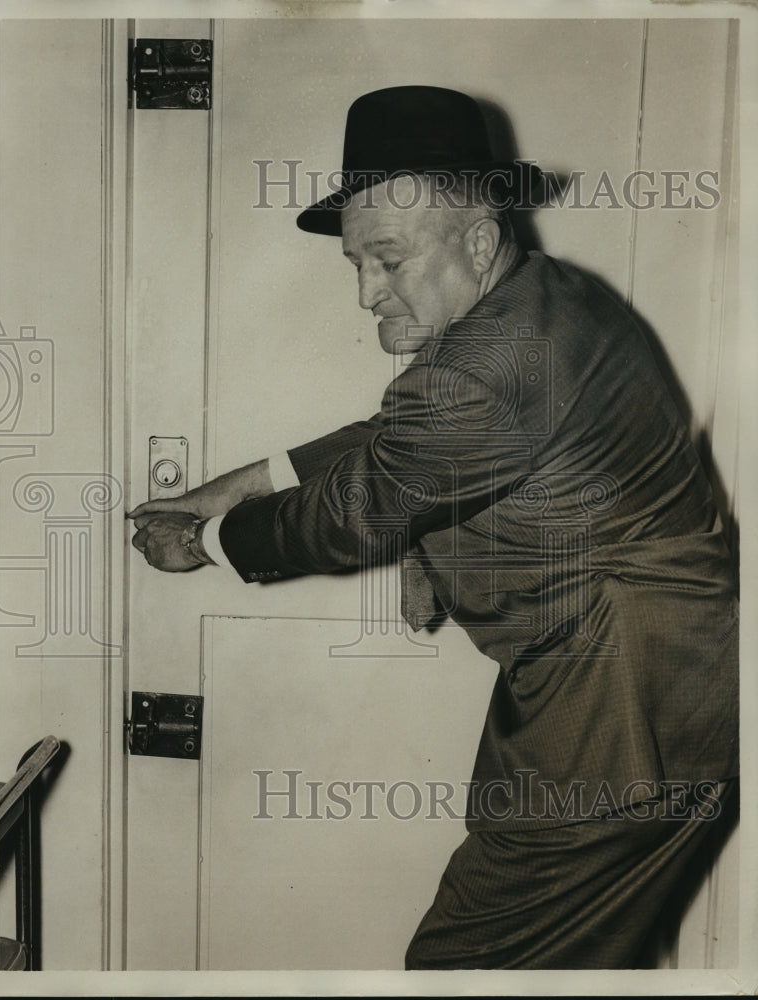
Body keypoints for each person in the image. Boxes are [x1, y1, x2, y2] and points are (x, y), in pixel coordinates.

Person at [128, 86, 739, 969]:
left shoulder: (488, 363)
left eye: (389, 261)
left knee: (460, 969)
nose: (367, 294)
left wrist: (207, 541)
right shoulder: (548, 299)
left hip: (619, 723)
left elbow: (359, 508)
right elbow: (401, 441)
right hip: (656, 700)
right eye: (357, 266)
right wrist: (226, 489)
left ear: (479, 241)